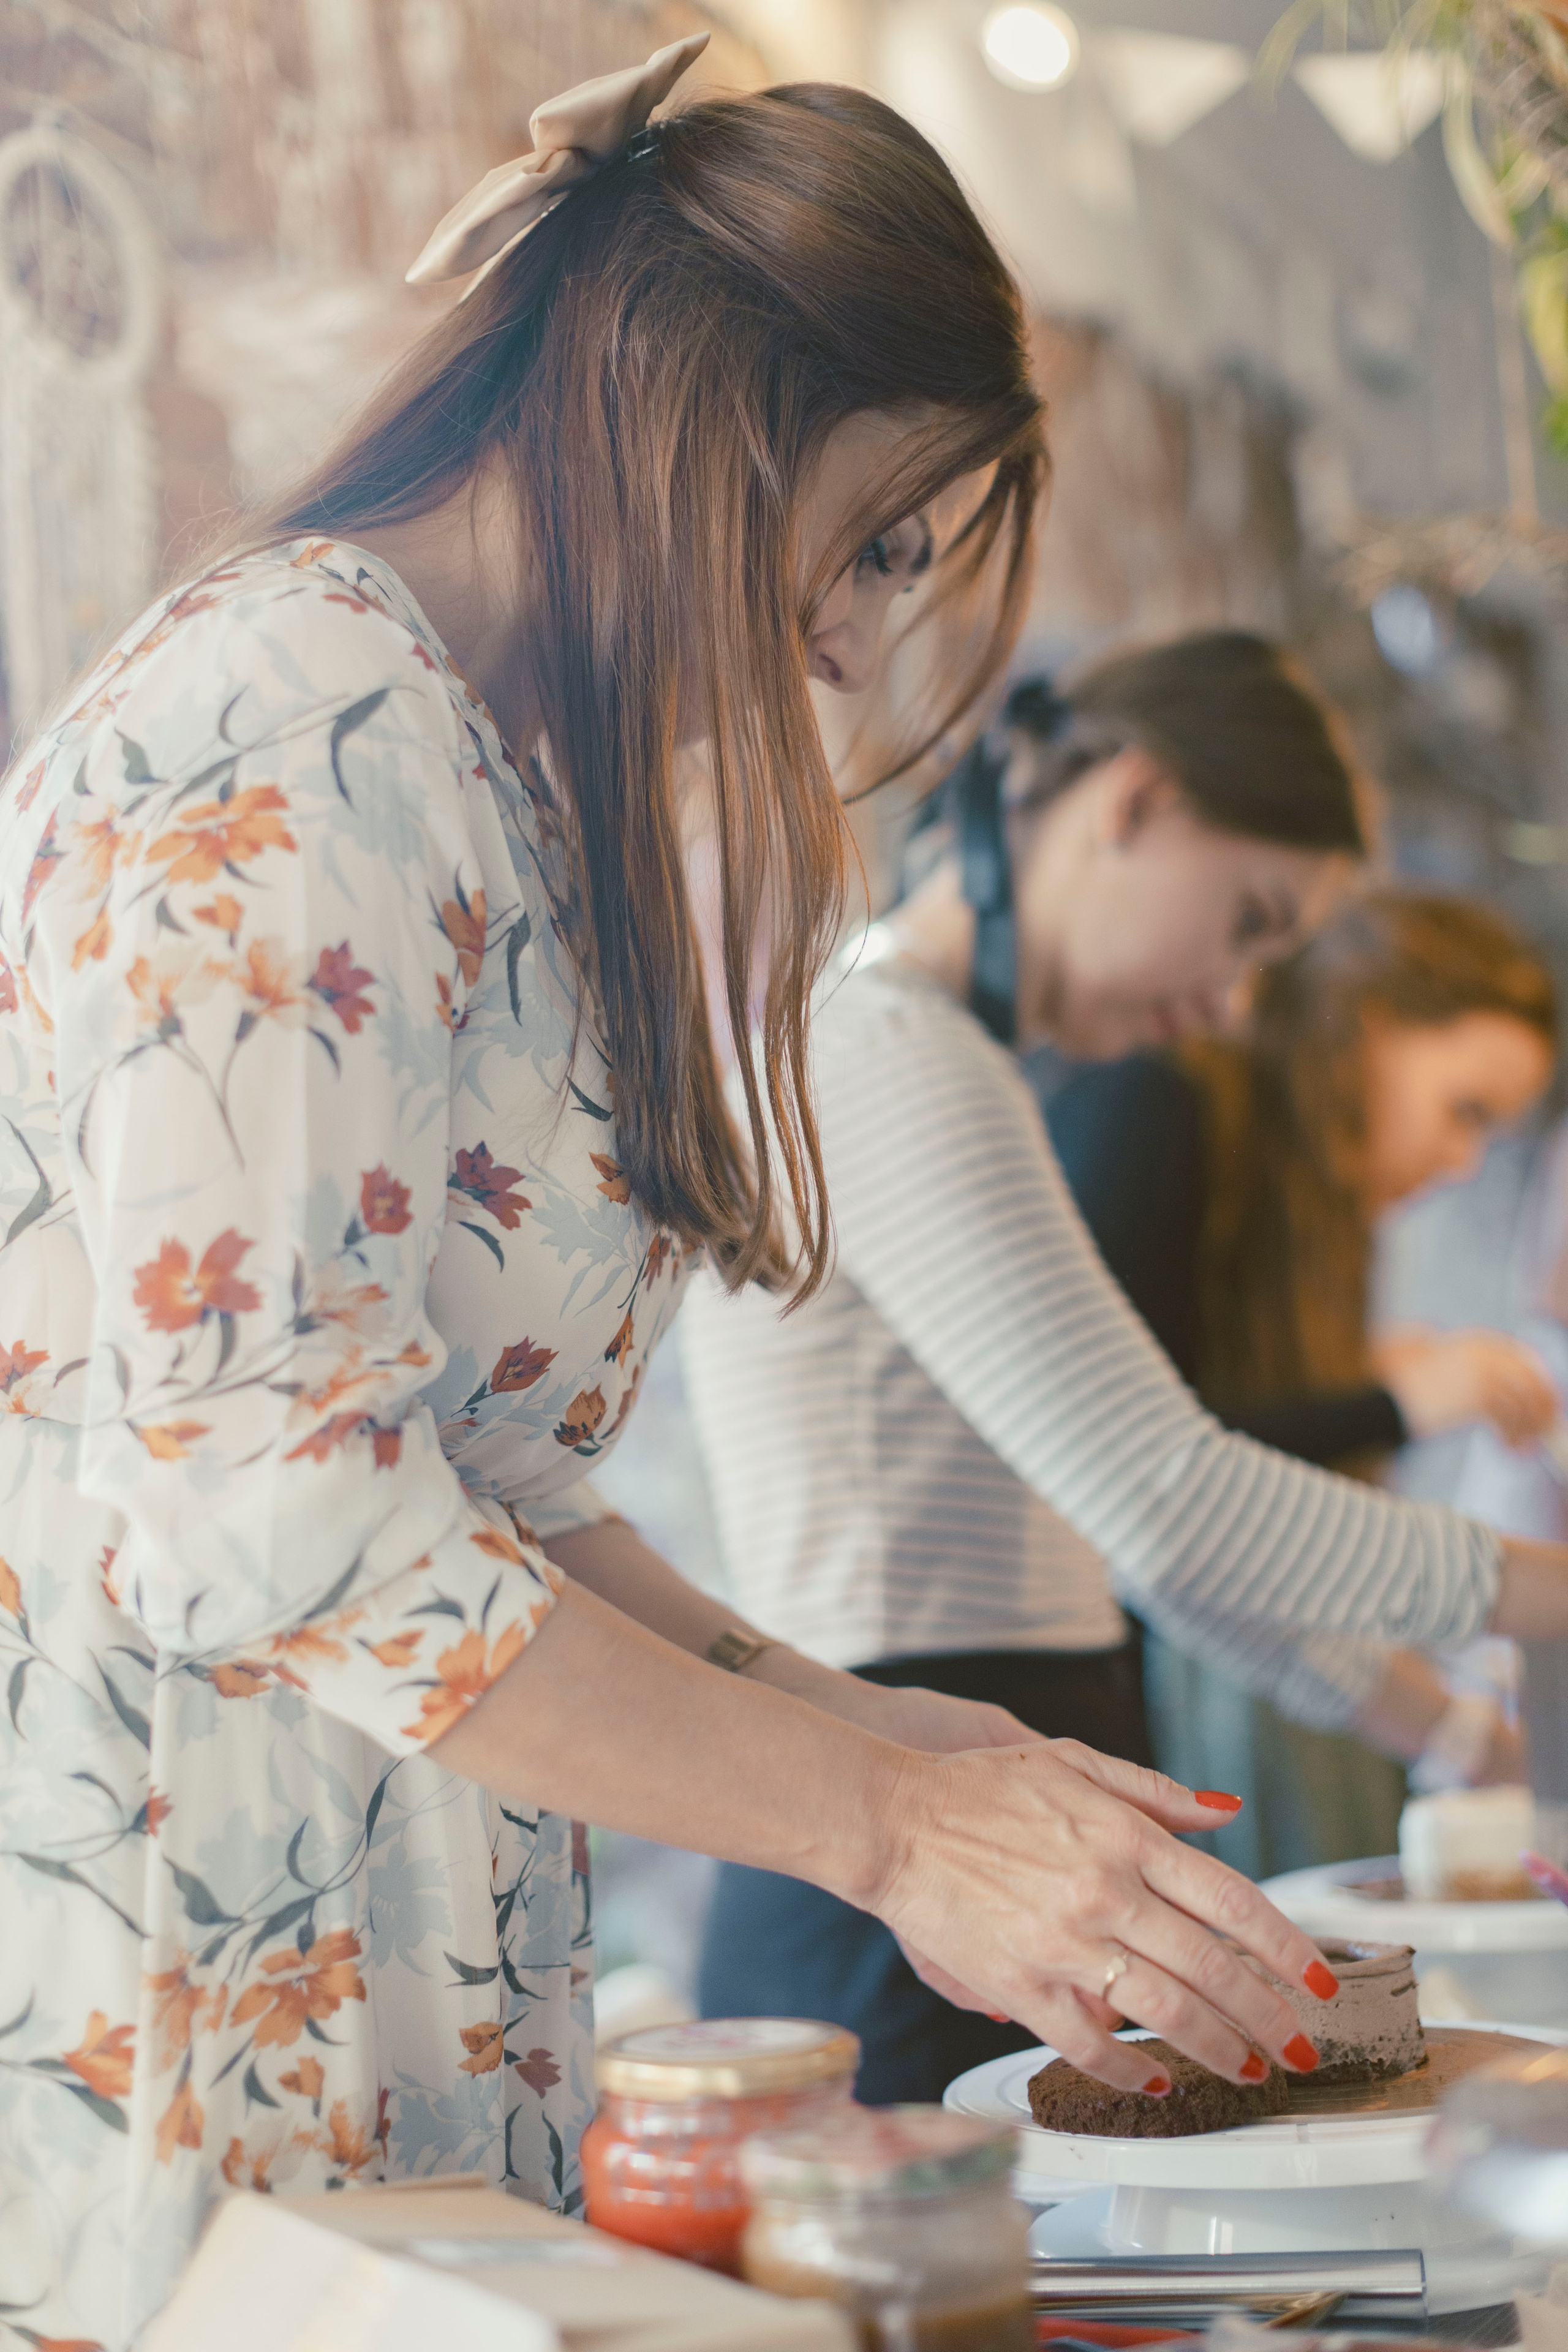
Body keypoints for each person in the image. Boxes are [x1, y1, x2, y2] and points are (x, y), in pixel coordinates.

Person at [0, 57, 1359, 2346]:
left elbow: (490, 1481)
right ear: (710, 410)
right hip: (193, 2002)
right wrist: (887, 1837)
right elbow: (284, 1505)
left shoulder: (470, 758)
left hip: (429, 2004)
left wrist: (895, 1739)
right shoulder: (272, 721)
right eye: (880, 540)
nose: (854, 642)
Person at [682, 628, 1568, 2101]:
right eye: (1245, 922)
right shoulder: (881, 1045)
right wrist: (1538, 1592)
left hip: (979, 1827)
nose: (1229, 1005)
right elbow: (1172, 1499)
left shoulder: (944, 1060)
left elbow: (1127, 1540)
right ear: (1135, 804)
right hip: (897, 1877)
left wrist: (1451, 1730)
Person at [1046, 886, 1556, 1877]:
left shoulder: (1303, 1204)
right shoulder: (1162, 1102)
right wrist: (1394, 1405)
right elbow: (1140, 1471)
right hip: (1108, 1698)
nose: (1460, 1161)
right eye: (1464, 1112)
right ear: (1371, 1027)